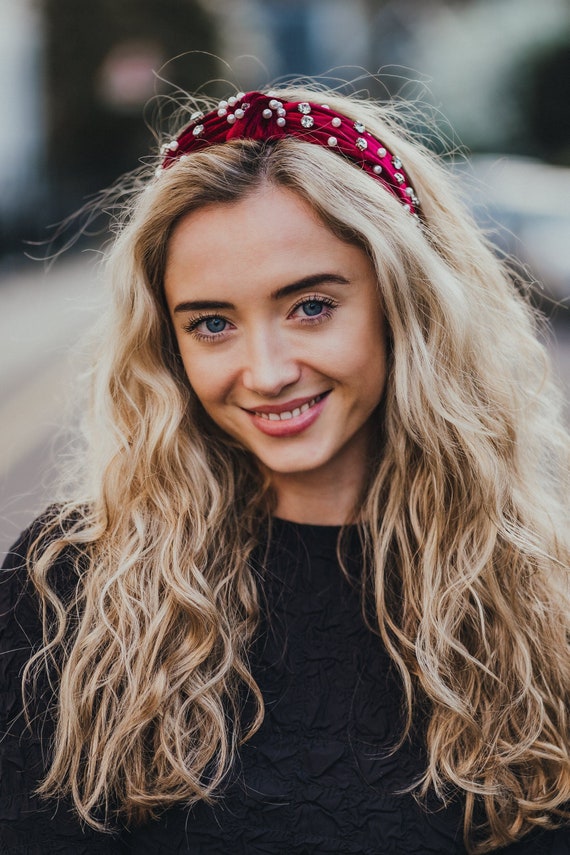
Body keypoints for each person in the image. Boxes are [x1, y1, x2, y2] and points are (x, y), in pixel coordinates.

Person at [1, 84, 569, 855]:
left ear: (406, 303)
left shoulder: (542, 600)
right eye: (212, 323)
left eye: (310, 306)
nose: (265, 372)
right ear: (169, 345)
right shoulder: (68, 591)